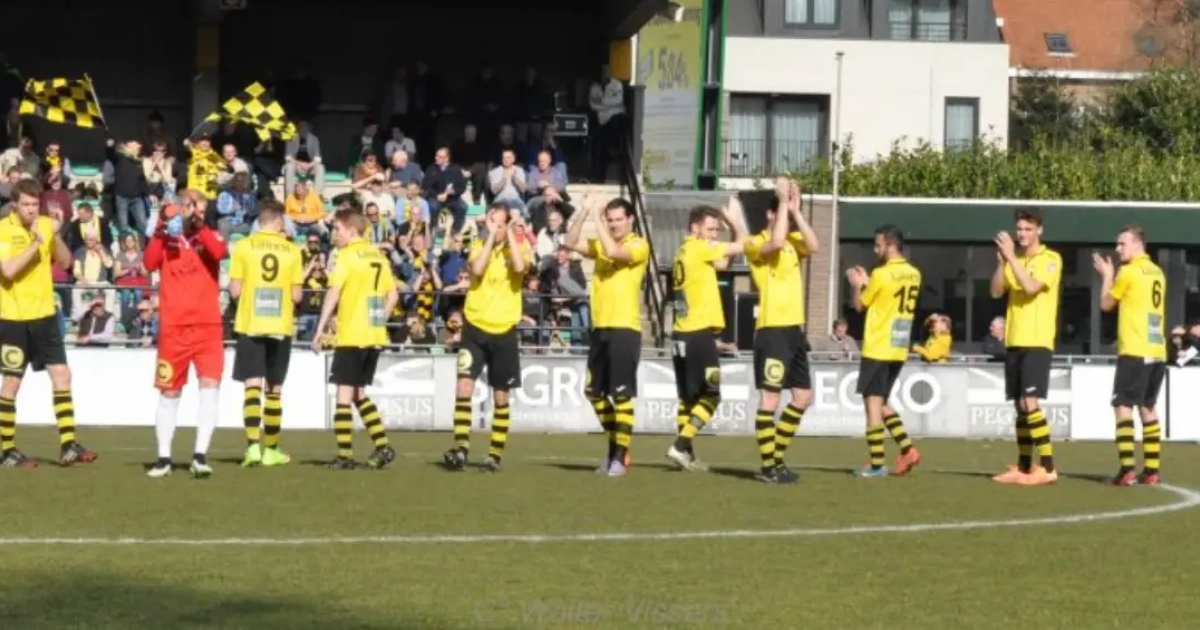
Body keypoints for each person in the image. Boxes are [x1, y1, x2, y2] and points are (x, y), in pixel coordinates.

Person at [0, 179, 97, 467]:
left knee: (62, 375)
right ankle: (7, 449)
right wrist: (36, 243)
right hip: (13, 319)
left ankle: (68, 445)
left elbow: (66, 262)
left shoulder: (44, 225)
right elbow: (8, 271)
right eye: (26, 204)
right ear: (15, 204)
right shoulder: (4, 229)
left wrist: (55, 236)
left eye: (35, 204)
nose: (31, 209)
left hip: (44, 315)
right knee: (12, 383)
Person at [143, 190, 228, 478]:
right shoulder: (167, 239)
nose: (196, 212)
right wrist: (161, 227)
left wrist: (199, 226)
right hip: (174, 328)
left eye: (200, 208)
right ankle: (164, 458)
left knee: (210, 387)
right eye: (191, 207)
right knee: (169, 391)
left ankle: (200, 455)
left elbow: (219, 253)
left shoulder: (210, 235)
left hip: (207, 327)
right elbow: (149, 263)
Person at [563, 197, 650, 477]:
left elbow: (613, 252)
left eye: (618, 219)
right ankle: (615, 449)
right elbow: (570, 241)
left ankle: (620, 456)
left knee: (621, 395)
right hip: (600, 328)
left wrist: (597, 220)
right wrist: (584, 212)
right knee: (593, 392)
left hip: (624, 328)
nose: (613, 225)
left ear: (630, 219)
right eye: (610, 220)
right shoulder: (602, 243)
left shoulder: (638, 245)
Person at [443, 203, 531, 473]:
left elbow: (519, 267)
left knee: (501, 396)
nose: (491, 226)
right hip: (475, 328)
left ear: (508, 224)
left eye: (498, 223)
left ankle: (494, 455)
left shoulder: (520, 247)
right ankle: (461, 448)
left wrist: (512, 234)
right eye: (489, 221)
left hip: (504, 330)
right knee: (463, 387)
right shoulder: (479, 246)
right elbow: (477, 270)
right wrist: (492, 235)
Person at [743, 178, 817, 484]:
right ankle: (769, 466)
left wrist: (797, 210)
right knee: (770, 400)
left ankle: (775, 459)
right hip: (772, 329)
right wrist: (783, 201)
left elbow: (814, 245)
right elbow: (773, 243)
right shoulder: (755, 242)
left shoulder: (793, 242)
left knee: (803, 397)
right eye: (781, 210)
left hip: (794, 331)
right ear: (770, 214)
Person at [312, 208, 399, 470]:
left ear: (352, 230)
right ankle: (383, 447)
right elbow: (393, 296)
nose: (334, 234)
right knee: (359, 393)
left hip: (352, 334)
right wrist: (378, 321)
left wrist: (319, 329)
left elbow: (334, 292)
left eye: (337, 229)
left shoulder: (347, 256)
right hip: (373, 335)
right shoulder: (378, 255)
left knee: (343, 393)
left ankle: (344, 455)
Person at [665, 205, 745, 472]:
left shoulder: (684, 250)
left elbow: (722, 263)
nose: (714, 234)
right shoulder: (700, 248)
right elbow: (743, 246)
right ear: (695, 228)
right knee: (712, 396)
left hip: (682, 333)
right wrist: (734, 223)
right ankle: (680, 445)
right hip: (697, 334)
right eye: (710, 229)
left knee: (688, 400)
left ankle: (686, 455)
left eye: (717, 230)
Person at [228, 200, 305, 468]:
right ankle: (271, 450)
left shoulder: (243, 246)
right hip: (279, 325)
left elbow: (234, 290)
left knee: (252, 386)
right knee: (274, 389)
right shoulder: (292, 250)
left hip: (251, 322)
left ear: (259, 223)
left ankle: (252, 448)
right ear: (279, 222)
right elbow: (297, 295)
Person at [989, 207, 1062, 486]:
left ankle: (1048, 466)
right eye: (1019, 229)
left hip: (1037, 340)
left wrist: (1010, 258)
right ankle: (1023, 465)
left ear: (1039, 230)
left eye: (1028, 229)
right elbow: (996, 291)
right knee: (1020, 405)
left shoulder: (1050, 259)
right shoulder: (1014, 259)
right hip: (1015, 339)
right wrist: (1001, 263)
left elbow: (1031, 287)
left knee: (1031, 402)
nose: (1022, 234)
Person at [844, 225, 922, 478]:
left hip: (878, 345)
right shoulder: (914, 274)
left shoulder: (881, 274)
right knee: (882, 403)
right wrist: (869, 282)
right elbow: (888, 296)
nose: (875, 249)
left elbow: (860, 305)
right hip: (898, 346)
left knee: (872, 406)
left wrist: (857, 285)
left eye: (878, 245)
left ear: (890, 246)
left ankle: (877, 464)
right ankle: (908, 450)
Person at [1094, 226, 1165, 486]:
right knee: (1147, 406)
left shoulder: (1129, 271)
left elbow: (1106, 304)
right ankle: (1152, 470)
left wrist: (1107, 276)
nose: (1117, 249)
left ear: (1137, 244)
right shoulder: (1157, 271)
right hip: (1157, 350)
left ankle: (1126, 469)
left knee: (1122, 406)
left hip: (1135, 349)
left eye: (1122, 244)